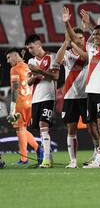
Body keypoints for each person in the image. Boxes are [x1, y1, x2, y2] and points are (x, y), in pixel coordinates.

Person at [64, 8, 100, 168]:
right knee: (97, 124)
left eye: (99, 34)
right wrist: (67, 23)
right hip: (91, 93)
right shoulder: (91, 49)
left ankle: (99, 159)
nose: (95, 37)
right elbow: (74, 39)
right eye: (94, 34)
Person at [56, 11, 99, 168]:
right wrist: (66, 41)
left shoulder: (89, 49)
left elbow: (86, 58)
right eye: (77, 37)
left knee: (93, 127)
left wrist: (73, 40)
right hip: (70, 96)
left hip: (86, 95)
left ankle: (97, 155)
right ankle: (73, 160)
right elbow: (58, 60)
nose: (80, 40)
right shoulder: (67, 53)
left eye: (82, 37)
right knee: (71, 129)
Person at [25, 34, 60, 168]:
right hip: (36, 99)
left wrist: (38, 71)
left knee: (43, 124)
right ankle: (48, 156)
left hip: (48, 97)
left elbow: (55, 76)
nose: (30, 51)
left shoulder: (52, 57)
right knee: (41, 129)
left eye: (31, 47)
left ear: (38, 44)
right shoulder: (31, 62)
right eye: (28, 49)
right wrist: (35, 75)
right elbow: (28, 82)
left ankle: (45, 159)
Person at [6, 48, 43, 165]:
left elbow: (15, 90)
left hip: (20, 103)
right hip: (30, 102)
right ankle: (39, 149)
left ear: (16, 56)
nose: (8, 61)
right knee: (22, 129)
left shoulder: (14, 69)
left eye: (9, 57)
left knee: (20, 129)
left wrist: (12, 109)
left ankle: (24, 158)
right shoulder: (28, 66)